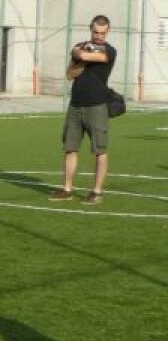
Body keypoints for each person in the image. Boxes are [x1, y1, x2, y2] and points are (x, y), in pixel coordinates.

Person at [49, 15, 116, 205]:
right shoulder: (82, 46)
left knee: (99, 150)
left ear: (107, 32)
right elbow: (70, 74)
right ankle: (67, 188)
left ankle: (97, 192)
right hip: (76, 105)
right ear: (91, 29)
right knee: (70, 148)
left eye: (103, 33)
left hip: (97, 106)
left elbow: (93, 55)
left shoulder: (110, 50)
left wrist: (81, 54)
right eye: (96, 32)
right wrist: (81, 57)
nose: (99, 36)